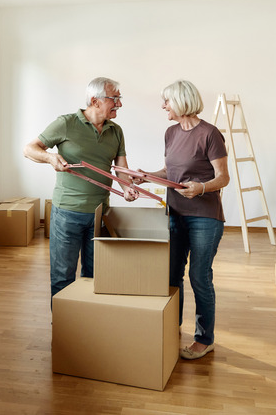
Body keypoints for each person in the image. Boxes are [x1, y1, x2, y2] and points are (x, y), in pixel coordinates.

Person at [136, 80, 229, 360]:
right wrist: (146, 176)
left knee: (199, 276)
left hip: (204, 217)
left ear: (180, 102)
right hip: (175, 215)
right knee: (171, 275)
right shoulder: (171, 133)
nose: (163, 106)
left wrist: (201, 188)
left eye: (166, 101)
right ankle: (171, 326)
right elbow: (170, 171)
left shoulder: (210, 134)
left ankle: (204, 339)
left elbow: (223, 177)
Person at [23, 77, 139, 300]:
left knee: (94, 276)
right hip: (67, 213)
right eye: (115, 98)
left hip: (100, 213)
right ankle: (63, 320)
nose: (119, 104)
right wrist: (50, 157)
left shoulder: (116, 131)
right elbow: (29, 149)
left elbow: (121, 168)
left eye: (119, 98)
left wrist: (126, 187)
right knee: (63, 275)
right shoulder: (66, 123)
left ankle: (86, 317)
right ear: (95, 101)